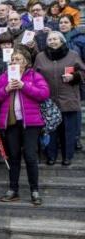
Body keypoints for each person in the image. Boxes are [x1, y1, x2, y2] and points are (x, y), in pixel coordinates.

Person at [0, 48, 50, 205]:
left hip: (31, 124)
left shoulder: (34, 76)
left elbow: (44, 94)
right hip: (11, 123)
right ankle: (13, 189)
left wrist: (24, 86)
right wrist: (6, 89)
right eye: (12, 59)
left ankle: (34, 190)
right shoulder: (4, 77)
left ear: (25, 62)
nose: (13, 61)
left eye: (17, 59)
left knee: (31, 156)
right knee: (14, 157)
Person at [34, 31, 85, 166]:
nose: (52, 41)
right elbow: (35, 76)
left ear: (62, 41)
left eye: (55, 39)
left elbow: (82, 72)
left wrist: (74, 76)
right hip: (48, 100)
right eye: (49, 39)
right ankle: (51, 156)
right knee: (51, 130)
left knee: (68, 130)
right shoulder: (40, 57)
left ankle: (67, 156)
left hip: (68, 98)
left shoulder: (73, 55)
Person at [59, 15, 85, 150]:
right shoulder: (56, 39)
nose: (63, 24)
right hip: (60, 79)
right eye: (61, 22)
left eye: (65, 22)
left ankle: (76, 138)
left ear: (71, 24)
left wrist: (78, 75)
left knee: (76, 110)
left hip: (76, 79)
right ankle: (64, 138)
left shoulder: (80, 39)